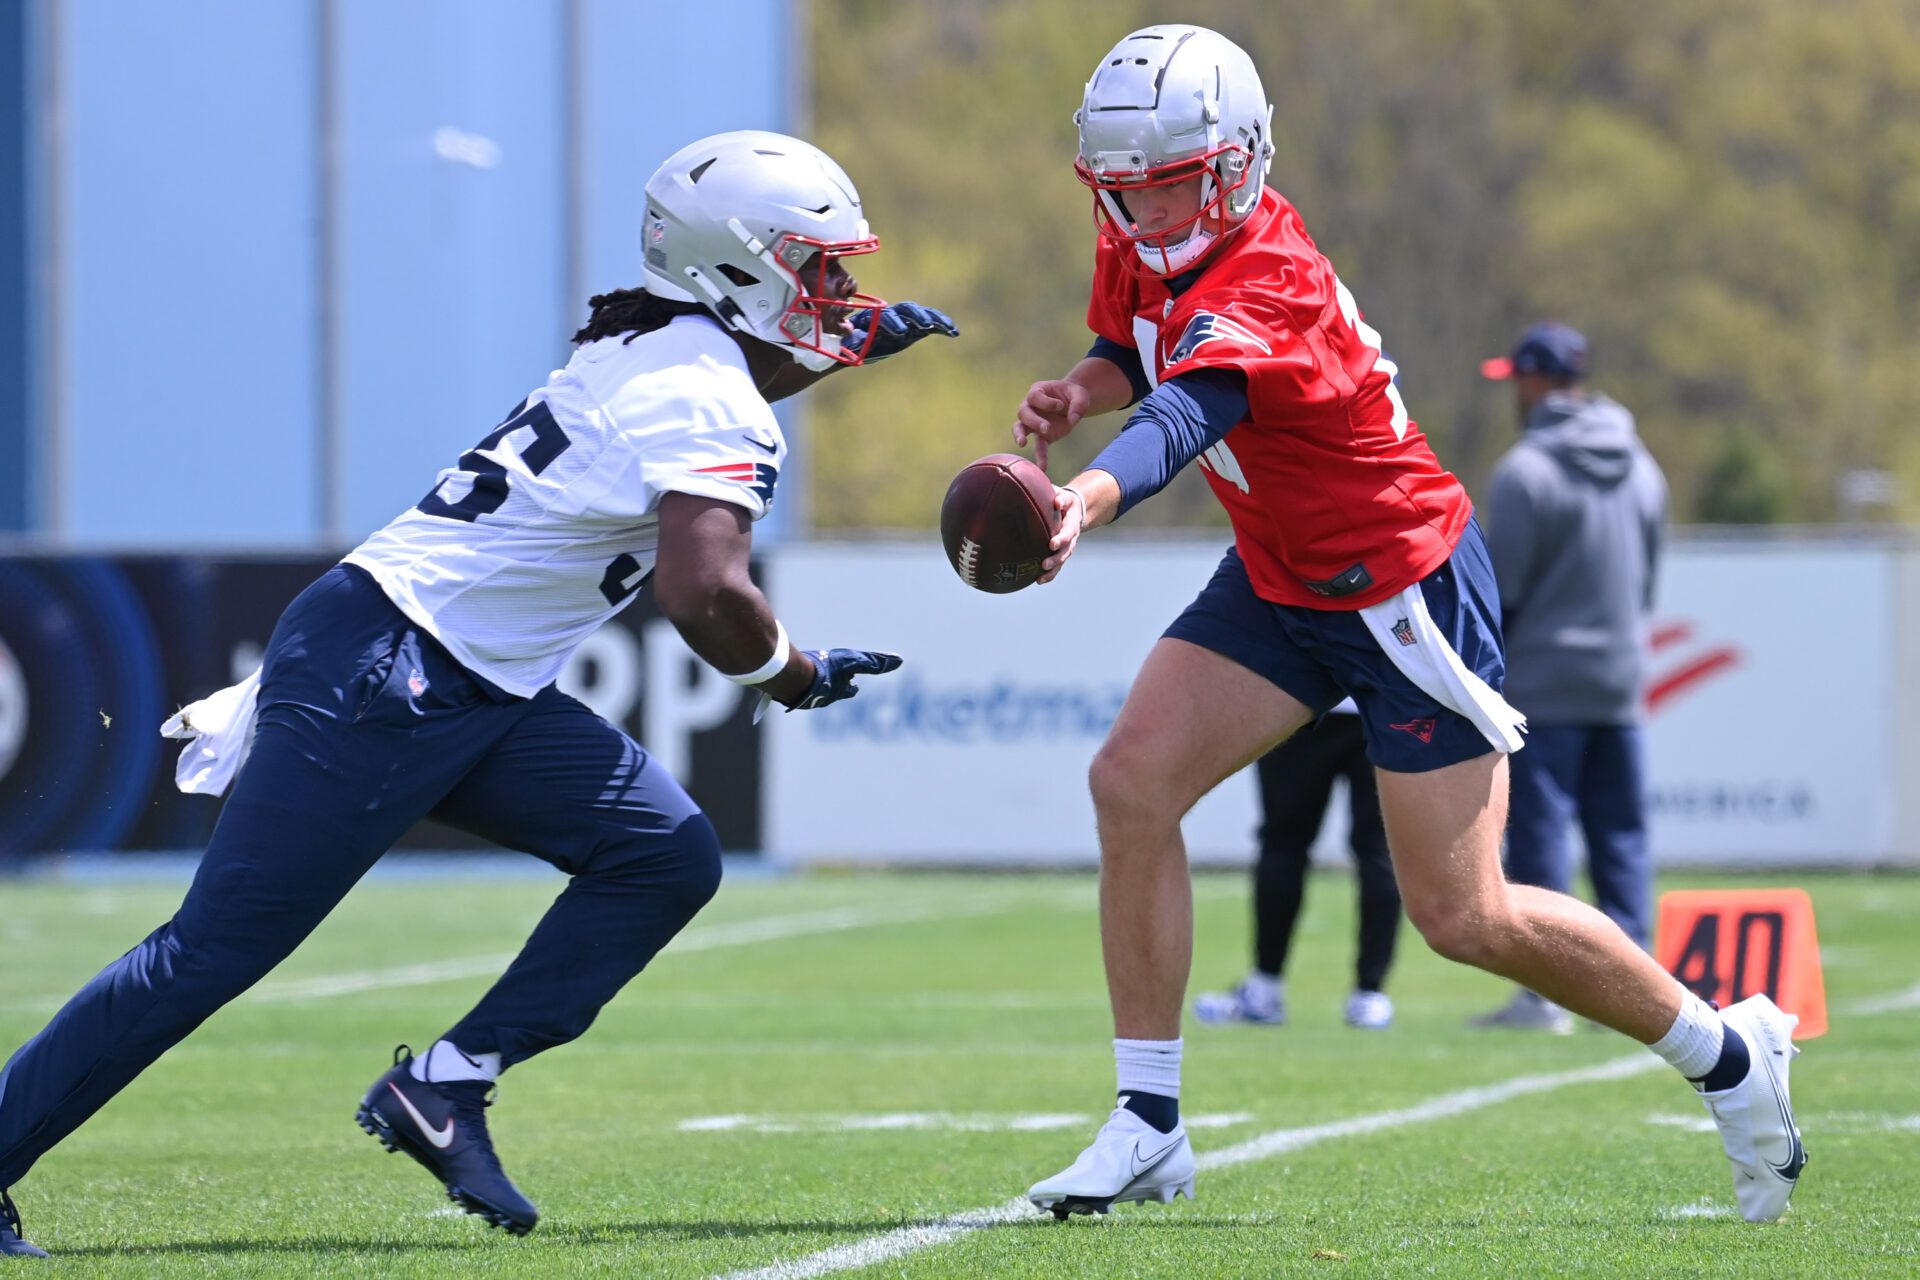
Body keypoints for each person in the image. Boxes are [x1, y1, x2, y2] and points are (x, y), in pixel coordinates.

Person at [0, 130, 956, 1258]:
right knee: (212, 949)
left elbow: (740, 377)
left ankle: (448, 1083)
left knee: (664, 849)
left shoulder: (650, 340)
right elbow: (707, 589)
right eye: (819, 268)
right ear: (740, 267)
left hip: (452, 669)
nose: (839, 291)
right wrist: (790, 672)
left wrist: (848, 341)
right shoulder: (700, 389)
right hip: (390, 673)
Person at [1009, 24, 1802, 1226]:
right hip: (1280, 569)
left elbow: (1191, 410)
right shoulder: (1142, 239)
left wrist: (1084, 492)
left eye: (1169, 182)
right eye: (1124, 189)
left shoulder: (1266, 268)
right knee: (1130, 782)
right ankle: (1149, 1121)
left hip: (1398, 583)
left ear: (1235, 164)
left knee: (1464, 915)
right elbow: (1133, 347)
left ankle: (1728, 1055)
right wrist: (1081, 388)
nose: (1145, 210)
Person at [1470, 323, 1668, 1034]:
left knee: (1541, 830)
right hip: (1620, 674)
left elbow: (1507, 589)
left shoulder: (1525, 469)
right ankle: (1641, 989)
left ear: (1532, 380)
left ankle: (1546, 993)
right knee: (1621, 832)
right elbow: (1648, 576)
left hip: (1545, 676)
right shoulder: (1643, 464)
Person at [1193, 703, 1401, 1030]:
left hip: (1302, 699)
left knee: (1284, 843)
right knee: (1377, 850)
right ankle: (1369, 997)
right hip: (1380, 702)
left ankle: (1265, 990)